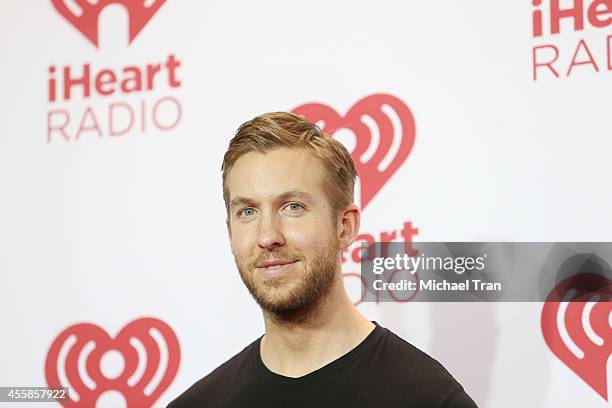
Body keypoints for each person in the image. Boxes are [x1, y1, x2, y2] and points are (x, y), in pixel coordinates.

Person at [168, 112, 478, 407]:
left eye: (292, 207)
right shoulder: (198, 404)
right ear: (230, 231)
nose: (267, 236)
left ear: (345, 226)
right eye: (247, 212)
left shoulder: (429, 399)